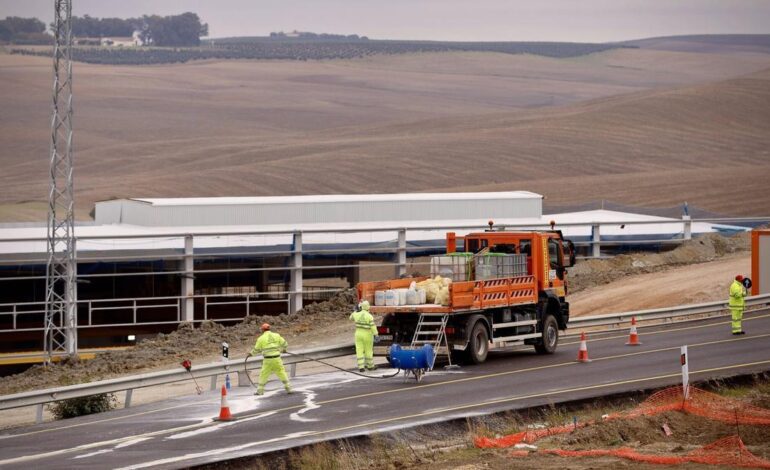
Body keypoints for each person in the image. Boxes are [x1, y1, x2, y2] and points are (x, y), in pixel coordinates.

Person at [247, 323, 292, 395]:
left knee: (264, 374)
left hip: (268, 360)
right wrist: (283, 350)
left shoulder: (261, 338)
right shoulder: (276, 335)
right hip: (277, 358)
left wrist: (250, 354)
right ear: (269, 328)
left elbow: (256, 349)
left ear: (262, 330)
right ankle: (289, 388)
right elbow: (285, 344)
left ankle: (260, 391)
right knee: (282, 372)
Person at [350, 300, 378, 372]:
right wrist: (376, 335)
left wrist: (355, 311)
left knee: (359, 350)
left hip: (358, 334)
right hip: (367, 335)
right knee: (368, 351)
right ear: (368, 307)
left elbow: (350, 318)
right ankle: (370, 366)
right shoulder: (369, 316)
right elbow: (373, 327)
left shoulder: (356, 314)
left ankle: (361, 367)